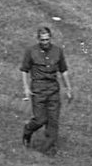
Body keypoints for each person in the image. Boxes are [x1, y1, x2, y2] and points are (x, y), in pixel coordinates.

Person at [19, 27, 74, 156]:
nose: (45, 42)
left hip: (53, 89)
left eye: (47, 39)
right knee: (40, 119)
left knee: (53, 120)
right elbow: (24, 70)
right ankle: (28, 131)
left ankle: (48, 149)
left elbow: (63, 70)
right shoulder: (31, 51)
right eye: (42, 40)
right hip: (38, 89)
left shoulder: (57, 51)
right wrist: (26, 88)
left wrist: (68, 88)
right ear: (38, 40)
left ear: (50, 38)